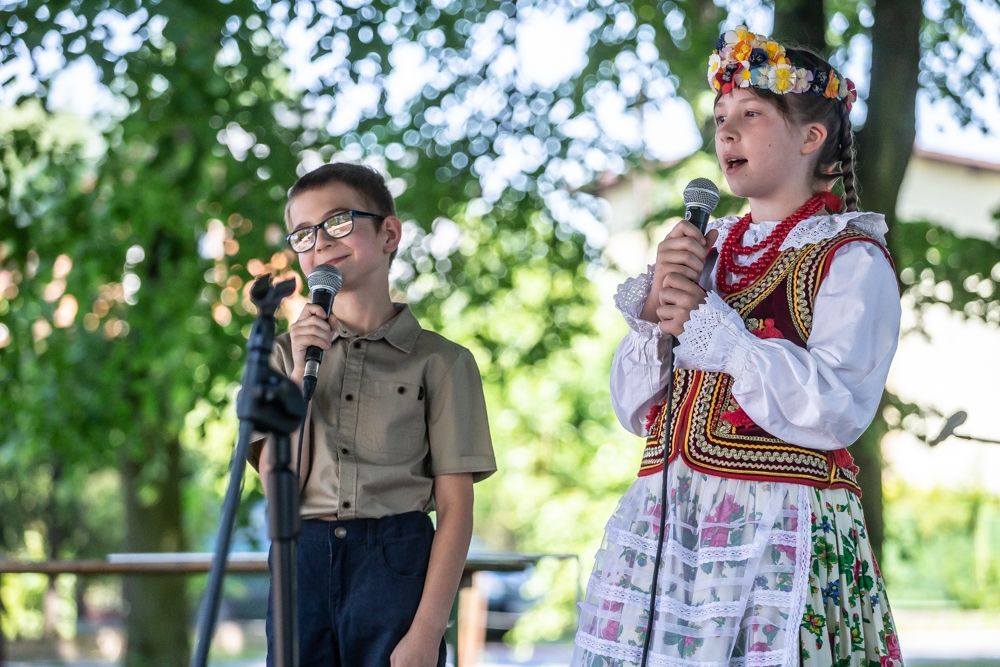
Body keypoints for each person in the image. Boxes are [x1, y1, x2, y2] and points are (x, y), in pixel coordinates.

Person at [573, 25, 903, 666]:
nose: (726, 131)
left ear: (812, 138)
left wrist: (718, 332)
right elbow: (637, 410)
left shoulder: (850, 258)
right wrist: (654, 316)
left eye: (751, 114)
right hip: (673, 518)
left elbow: (837, 406)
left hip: (779, 524)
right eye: (721, 116)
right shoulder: (707, 250)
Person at [249, 162, 497, 666]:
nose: (320, 241)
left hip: (395, 560)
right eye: (303, 233)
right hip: (302, 559)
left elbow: (455, 510)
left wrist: (427, 631)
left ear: (388, 233)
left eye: (338, 221)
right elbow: (280, 492)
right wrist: (299, 378)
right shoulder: (277, 356)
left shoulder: (443, 362)